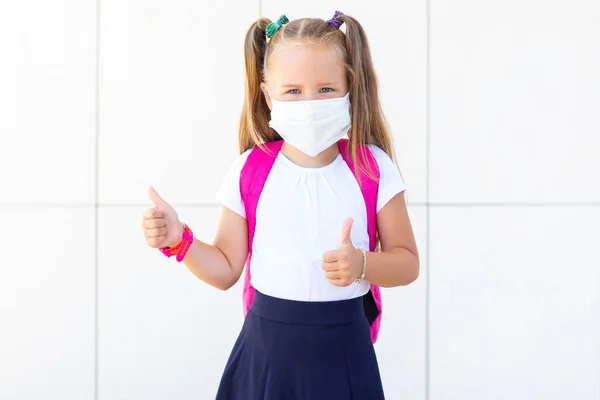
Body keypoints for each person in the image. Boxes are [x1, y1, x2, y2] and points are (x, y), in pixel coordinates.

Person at [142, 11, 419, 399]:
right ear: (267, 94)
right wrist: (178, 240)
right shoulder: (250, 170)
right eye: (293, 91)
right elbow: (224, 270)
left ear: (350, 87)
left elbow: (407, 262)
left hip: (345, 353)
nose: (309, 103)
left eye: (325, 90)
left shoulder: (372, 168)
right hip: (265, 355)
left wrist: (363, 265)